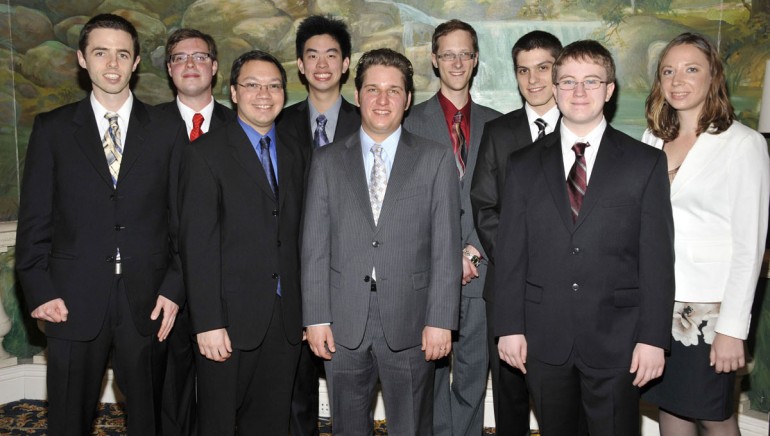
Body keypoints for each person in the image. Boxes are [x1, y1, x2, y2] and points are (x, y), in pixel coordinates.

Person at [493, 40, 675, 436]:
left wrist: (653, 338)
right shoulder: (523, 165)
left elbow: (658, 259)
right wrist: (508, 326)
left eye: (591, 81)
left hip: (619, 341)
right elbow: (510, 255)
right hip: (544, 339)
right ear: (555, 89)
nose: (579, 92)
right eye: (569, 81)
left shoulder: (645, 163)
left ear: (609, 90)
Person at [15, 13, 186, 436]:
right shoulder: (52, 129)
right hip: (70, 301)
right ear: (82, 59)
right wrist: (39, 291)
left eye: (122, 54)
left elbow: (184, 220)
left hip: (147, 302)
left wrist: (174, 287)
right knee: (68, 420)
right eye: (101, 52)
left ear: (135, 62)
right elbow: (34, 220)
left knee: (150, 420)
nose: (112, 64)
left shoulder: (168, 129)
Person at [302, 48, 461, 435]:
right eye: (372, 89)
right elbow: (314, 246)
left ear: (407, 100)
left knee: (411, 427)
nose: (382, 100)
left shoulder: (435, 159)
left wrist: (441, 320)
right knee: (347, 427)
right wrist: (316, 316)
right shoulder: (326, 161)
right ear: (356, 96)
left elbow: (445, 244)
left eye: (394, 90)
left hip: (411, 320)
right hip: (342, 321)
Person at [640, 32, 770, 436]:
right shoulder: (651, 140)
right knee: (670, 409)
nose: (678, 80)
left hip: (708, 314)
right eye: (668, 71)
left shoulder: (742, 144)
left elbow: (751, 246)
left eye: (691, 69)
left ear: (713, 76)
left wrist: (733, 329)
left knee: (714, 416)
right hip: (656, 304)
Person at [178, 50, 306, 435]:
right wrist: (209, 323)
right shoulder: (204, 154)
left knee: (271, 423)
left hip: (285, 319)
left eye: (273, 85)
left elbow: (300, 237)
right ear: (233, 92)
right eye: (252, 84)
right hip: (228, 324)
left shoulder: (296, 152)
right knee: (219, 424)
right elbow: (196, 247)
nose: (264, 93)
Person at [402, 19, 500, 436]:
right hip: (427, 275)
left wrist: (472, 252)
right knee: (430, 375)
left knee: (474, 373)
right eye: (448, 54)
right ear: (434, 60)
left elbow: (506, 201)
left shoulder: (501, 125)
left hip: (481, 273)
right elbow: (402, 205)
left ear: (475, 60)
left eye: (465, 54)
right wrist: (444, 256)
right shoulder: (407, 123)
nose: (457, 61)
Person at [469, 30, 562, 436]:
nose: (533, 79)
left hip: (566, 291)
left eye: (543, 68)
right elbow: (484, 206)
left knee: (561, 396)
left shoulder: (582, 132)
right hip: (508, 289)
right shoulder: (499, 132)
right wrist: (518, 262)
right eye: (523, 70)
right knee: (509, 395)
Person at [276, 16, 360, 435]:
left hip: (353, 277)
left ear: (346, 64)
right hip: (292, 273)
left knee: (351, 390)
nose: (322, 64)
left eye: (331, 55)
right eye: (312, 55)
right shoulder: (278, 124)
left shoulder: (370, 124)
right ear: (300, 64)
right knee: (296, 389)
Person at [157, 27, 235, 436]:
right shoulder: (147, 128)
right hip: (162, 292)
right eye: (180, 58)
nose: (190, 64)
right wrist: (174, 281)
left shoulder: (241, 127)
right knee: (172, 400)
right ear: (170, 70)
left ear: (215, 66)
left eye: (200, 56)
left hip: (226, 291)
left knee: (226, 403)